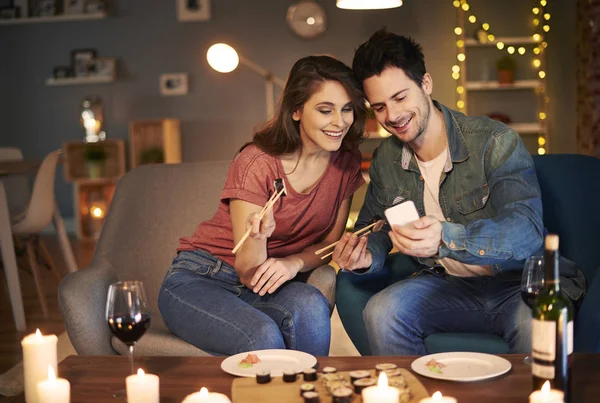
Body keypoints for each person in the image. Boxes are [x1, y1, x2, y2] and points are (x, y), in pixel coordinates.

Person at [332, 29, 548, 356]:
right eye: (379, 107)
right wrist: (364, 257)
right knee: (382, 311)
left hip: (516, 286)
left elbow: (527, 232)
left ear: (426, 84)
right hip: (446, 285)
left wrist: (447, 238)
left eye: (401, 97)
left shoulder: (493, 141)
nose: (392, 116)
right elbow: (374, 229)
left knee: (538, 322)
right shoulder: (387, 159)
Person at [158, 55, 366, 356]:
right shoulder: (257, 163)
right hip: (202, 278)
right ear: (296, 110)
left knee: (311, 305)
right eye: (325, 110)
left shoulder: (346, 162)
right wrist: (257, 238)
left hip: (267, 284)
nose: (340, 122)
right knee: (263, 336)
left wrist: (294, 262)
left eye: (347, 109)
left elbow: (329, 243)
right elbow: (247, 269)